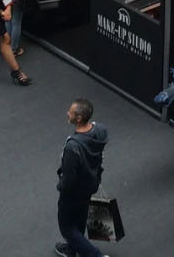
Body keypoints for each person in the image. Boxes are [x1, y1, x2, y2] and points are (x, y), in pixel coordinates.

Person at [55, 98, 109, 257]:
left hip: (73, 192)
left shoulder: (73, 147)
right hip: (91, 184)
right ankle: (72, 250)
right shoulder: (100, 130)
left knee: (66, 227)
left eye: (70, 112)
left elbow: (69, 178)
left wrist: (60, 186)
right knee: (79, 220)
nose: (67, 113)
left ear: (78, 118)